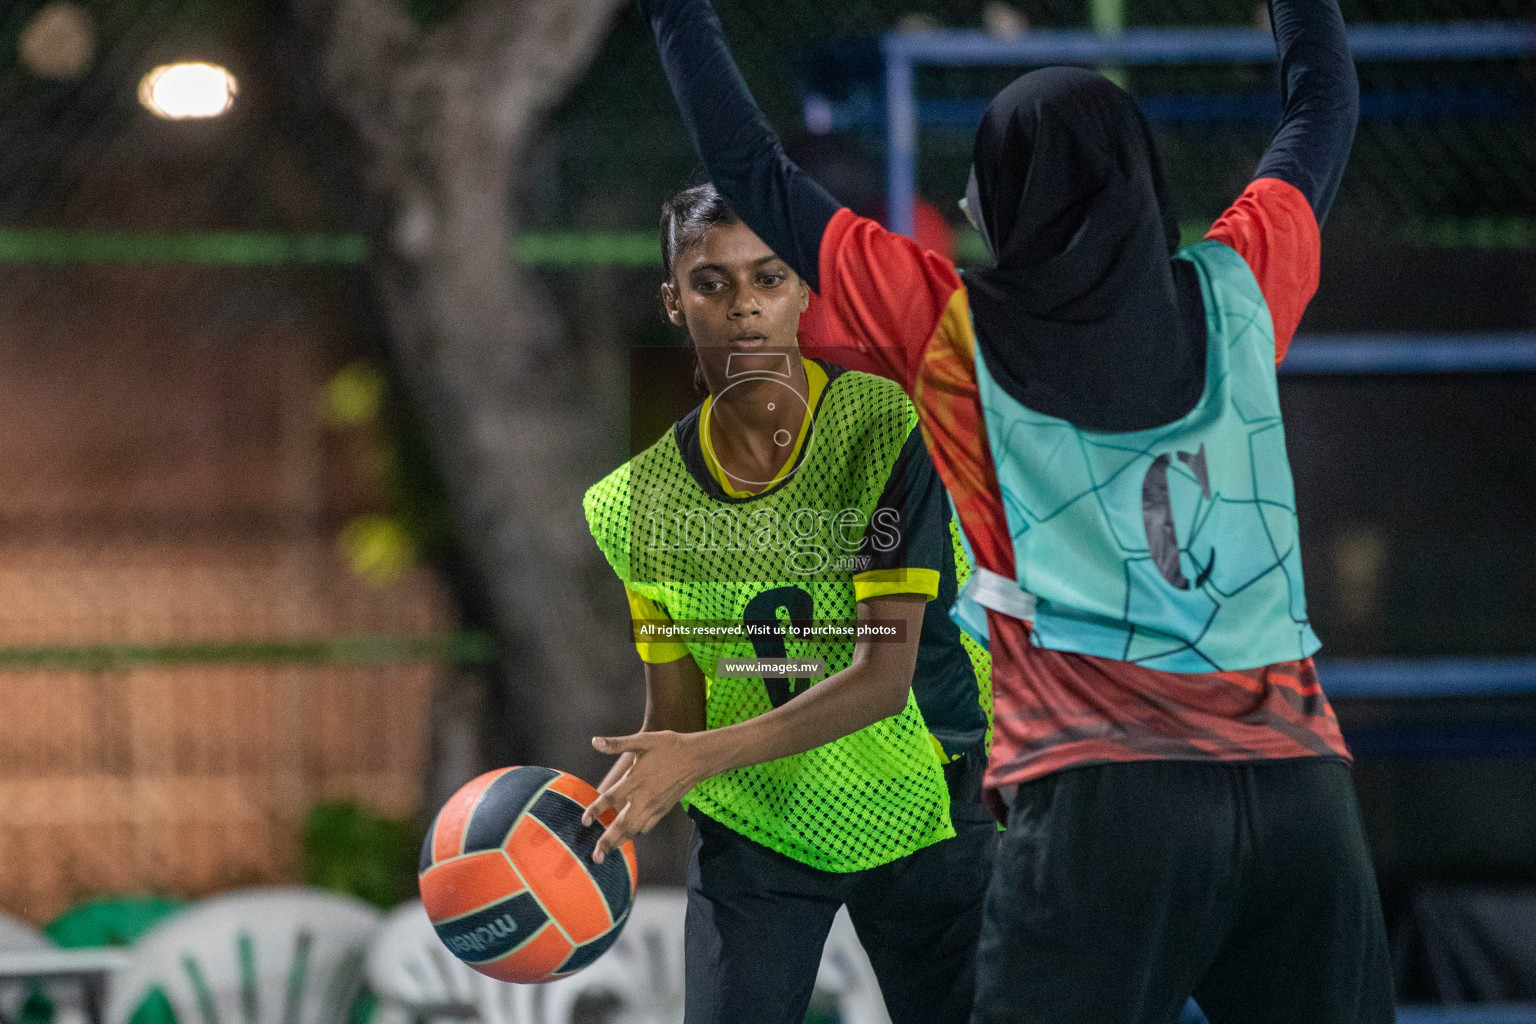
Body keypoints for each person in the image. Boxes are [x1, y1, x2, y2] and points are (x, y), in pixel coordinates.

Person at [633, 0, 1396, 1021]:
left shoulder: (952, 330)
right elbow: (1325, 107)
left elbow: (752, 169)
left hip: (1103, 801)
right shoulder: (1238, 287)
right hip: (1301, 785)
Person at [580, 182, 996, 1024]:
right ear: (671, 301)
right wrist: (628, 790)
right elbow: (680, 713)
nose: (744, 307)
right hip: (759, 827)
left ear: (804, 290)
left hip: (929, 800)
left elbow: (884, 676)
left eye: (768, 279)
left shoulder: (880, 427)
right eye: (711, 283)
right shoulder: (630, 504)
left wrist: (695, 758)